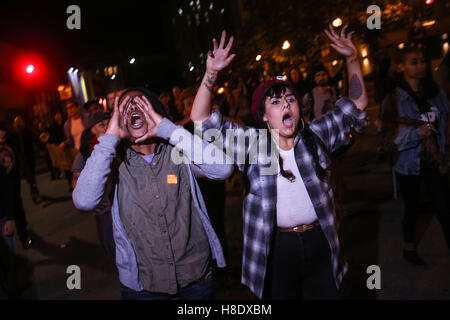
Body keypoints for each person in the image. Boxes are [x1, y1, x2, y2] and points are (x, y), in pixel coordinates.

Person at [191, 27, 368, 299]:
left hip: (322, 242)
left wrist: (352, 57)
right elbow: (202, 121)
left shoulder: (316, 135)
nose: (286, 104)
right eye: (276, 102)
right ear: (263, 116)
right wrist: (211, 73)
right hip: (277, 249)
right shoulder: (253, 144)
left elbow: (356, 104)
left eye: (290, 99)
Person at [72, 87, 233, 300]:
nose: (133, 109)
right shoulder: (114, 163)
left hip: (196, 278)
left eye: (141, 104)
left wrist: (168, 129)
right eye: (125, 108)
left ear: (155, 111)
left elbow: (223, 168)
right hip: (144, 287)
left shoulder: (178, 151)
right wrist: (110, 137)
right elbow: (83, 200)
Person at [381, 43, 450, 266]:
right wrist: (418, 132)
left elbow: (446, 120)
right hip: (407, 164)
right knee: (413, 208)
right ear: (401, 67)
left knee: (444, 206)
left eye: (422, 61)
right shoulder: (393, 99)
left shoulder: (435, 92)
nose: (420, 66)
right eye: (414, 62)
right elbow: (389, 139)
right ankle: (408, 247)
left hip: (434, 160)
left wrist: (443, 148)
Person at [72, 110, 115, 259]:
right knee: (108, 236)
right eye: (102, 125)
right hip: (103, 205)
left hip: (120, 200)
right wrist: (93, 201)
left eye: (108, 123)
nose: (107, 127)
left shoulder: (120, 143)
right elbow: (76, 180)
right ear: (93, 130)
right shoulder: (85, 152)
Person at [0, 123, 33, 249]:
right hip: (3, 184)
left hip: (13, 181)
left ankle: (24, 235)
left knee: (17, 207)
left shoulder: (11, 142)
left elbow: (18, 158)